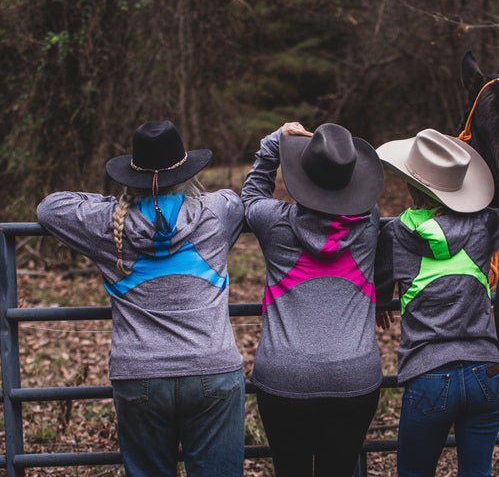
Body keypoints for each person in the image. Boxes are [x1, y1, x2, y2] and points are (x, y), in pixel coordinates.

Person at [36, 120, 246, 477]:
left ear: (131, 176)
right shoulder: (216, 212)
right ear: (186, 170)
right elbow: (236, 198)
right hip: (212, 369)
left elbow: (50, 207)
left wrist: (112, 206)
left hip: (139, 375)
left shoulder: (106, 226)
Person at [241, 121, 384, 477]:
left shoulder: (273, 223)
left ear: (301, 177)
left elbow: (251, 195)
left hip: (284, 379)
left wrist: (275, 143)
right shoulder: (370, 223)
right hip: (354, 378)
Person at [374, 129, 499, 477]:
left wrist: (381, 303)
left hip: (429, 373)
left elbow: (379, 289)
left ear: (410, 184)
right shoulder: (485, 223)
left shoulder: (395, 234)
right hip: (488, 371)